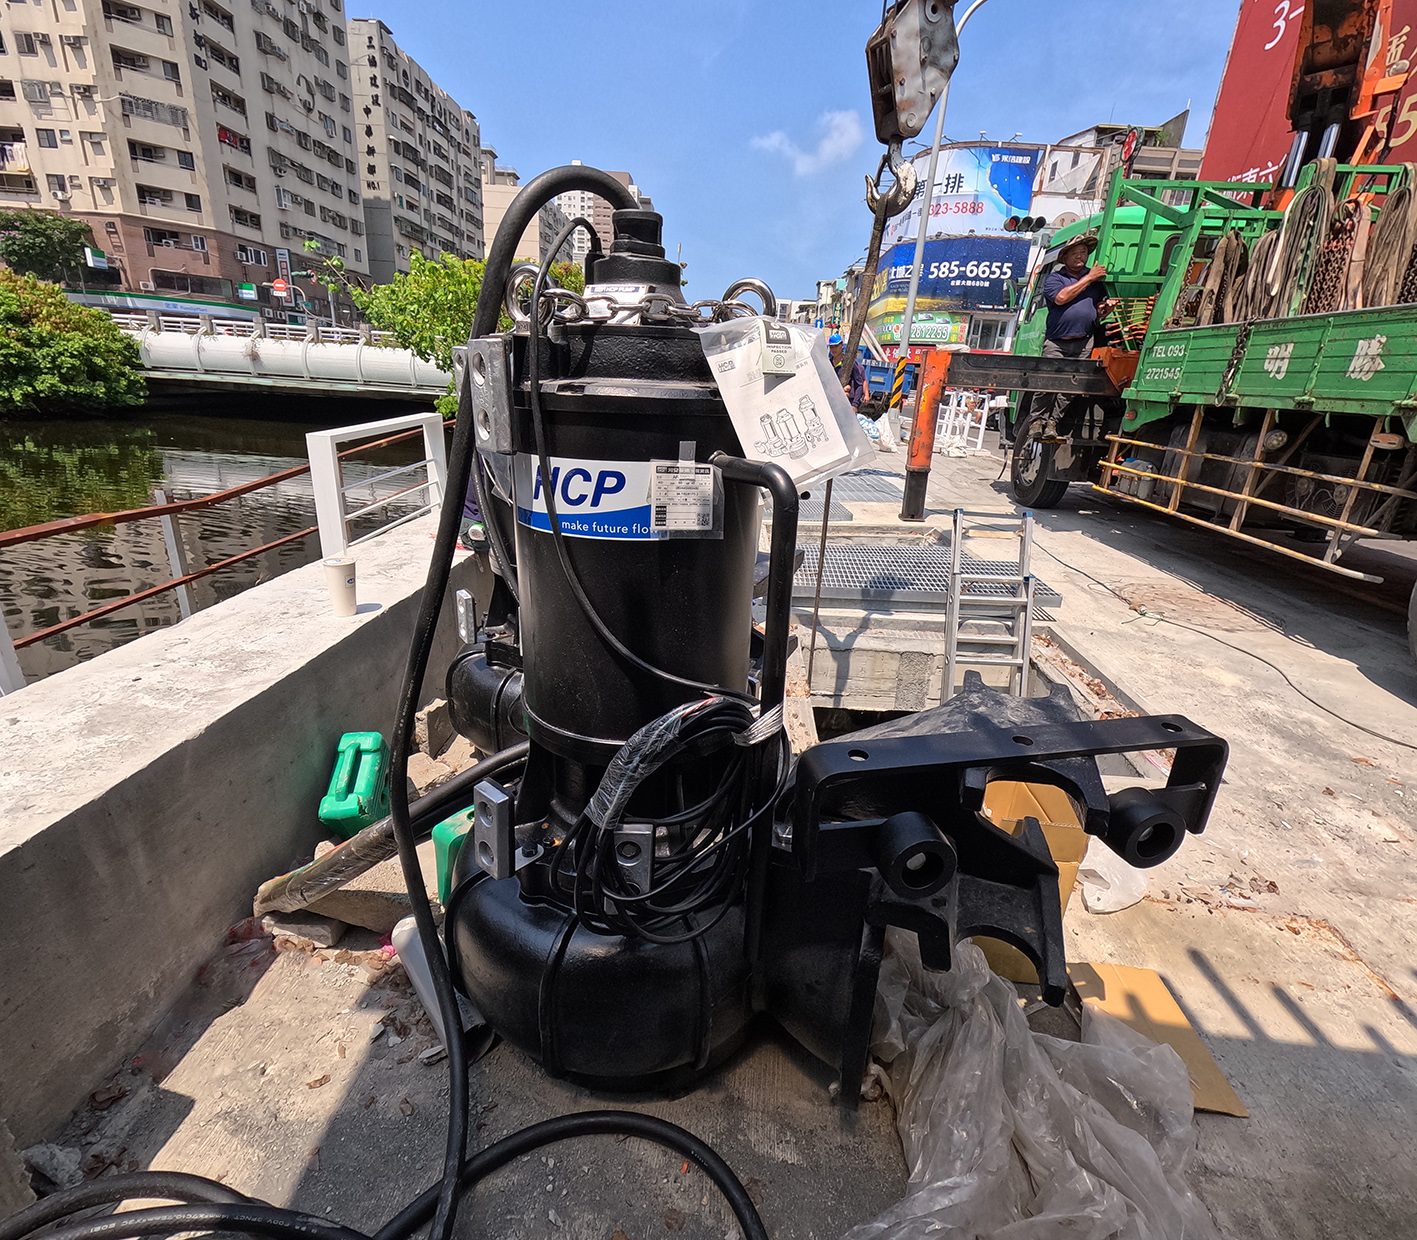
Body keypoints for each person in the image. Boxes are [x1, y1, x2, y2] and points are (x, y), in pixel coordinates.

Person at [1037, 234, 1113, 435]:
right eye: (1075, 253)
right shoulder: (1056, 278)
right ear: (1066, 257)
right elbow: (1061, 298)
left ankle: (1053, 422)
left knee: (1070, 387)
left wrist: (1106, 308)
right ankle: (1038, 420)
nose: (1080, 256)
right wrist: (1088, 278)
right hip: (1057, 342)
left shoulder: (1096, 283)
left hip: (1084, 341)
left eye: (1083, 253)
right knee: (1046, 383)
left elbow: (1099, 310)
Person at [827, 332, 866, 410]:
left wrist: (854, 405)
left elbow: (859, 384)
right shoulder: (828, 364)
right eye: (831, 347)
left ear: (841, 345)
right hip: (831, 402)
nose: (834, 349)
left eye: (836, 346)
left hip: (847, 402)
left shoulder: (849, 364)